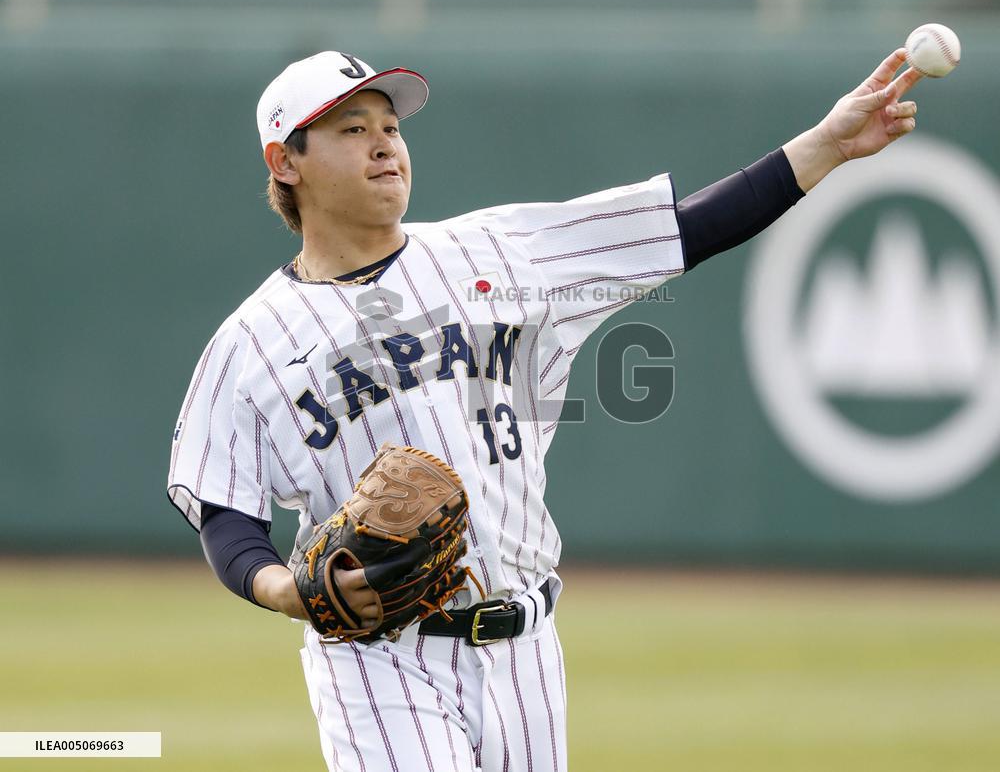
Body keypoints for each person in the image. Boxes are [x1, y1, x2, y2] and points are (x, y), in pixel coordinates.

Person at [167, 49, 921, 771]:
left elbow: (684, 230)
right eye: (352, 130)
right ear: (285, 162)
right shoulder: (252, 342)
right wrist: (286, 589)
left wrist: (826, 147)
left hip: (527, 645)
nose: (384, 146)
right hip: (379, 661)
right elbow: (225, 512)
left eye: (391, 127)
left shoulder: (499, 250)